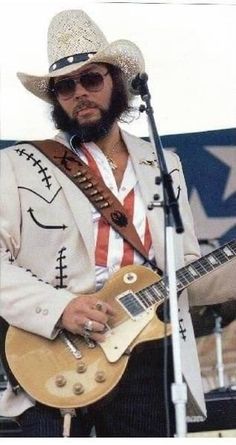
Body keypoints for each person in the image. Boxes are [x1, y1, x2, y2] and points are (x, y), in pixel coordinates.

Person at [0, 9, 235, 438]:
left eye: (91, 79)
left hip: (148, 359)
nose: (79, 93)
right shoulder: (18, 166)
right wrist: (60, 308)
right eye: (65, 86)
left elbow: (188, 275)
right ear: (55, 98)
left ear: (117, 82)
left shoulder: (163, 164)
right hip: (52, 356)